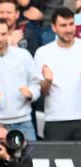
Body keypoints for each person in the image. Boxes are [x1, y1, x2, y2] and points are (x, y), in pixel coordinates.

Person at [34, 7, 81, 140]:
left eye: (71, 24)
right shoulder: (43, 53)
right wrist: (48, 81)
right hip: (55, 120)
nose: (69, 29)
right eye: (63, 25)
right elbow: (40, 92)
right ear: (54, 27)